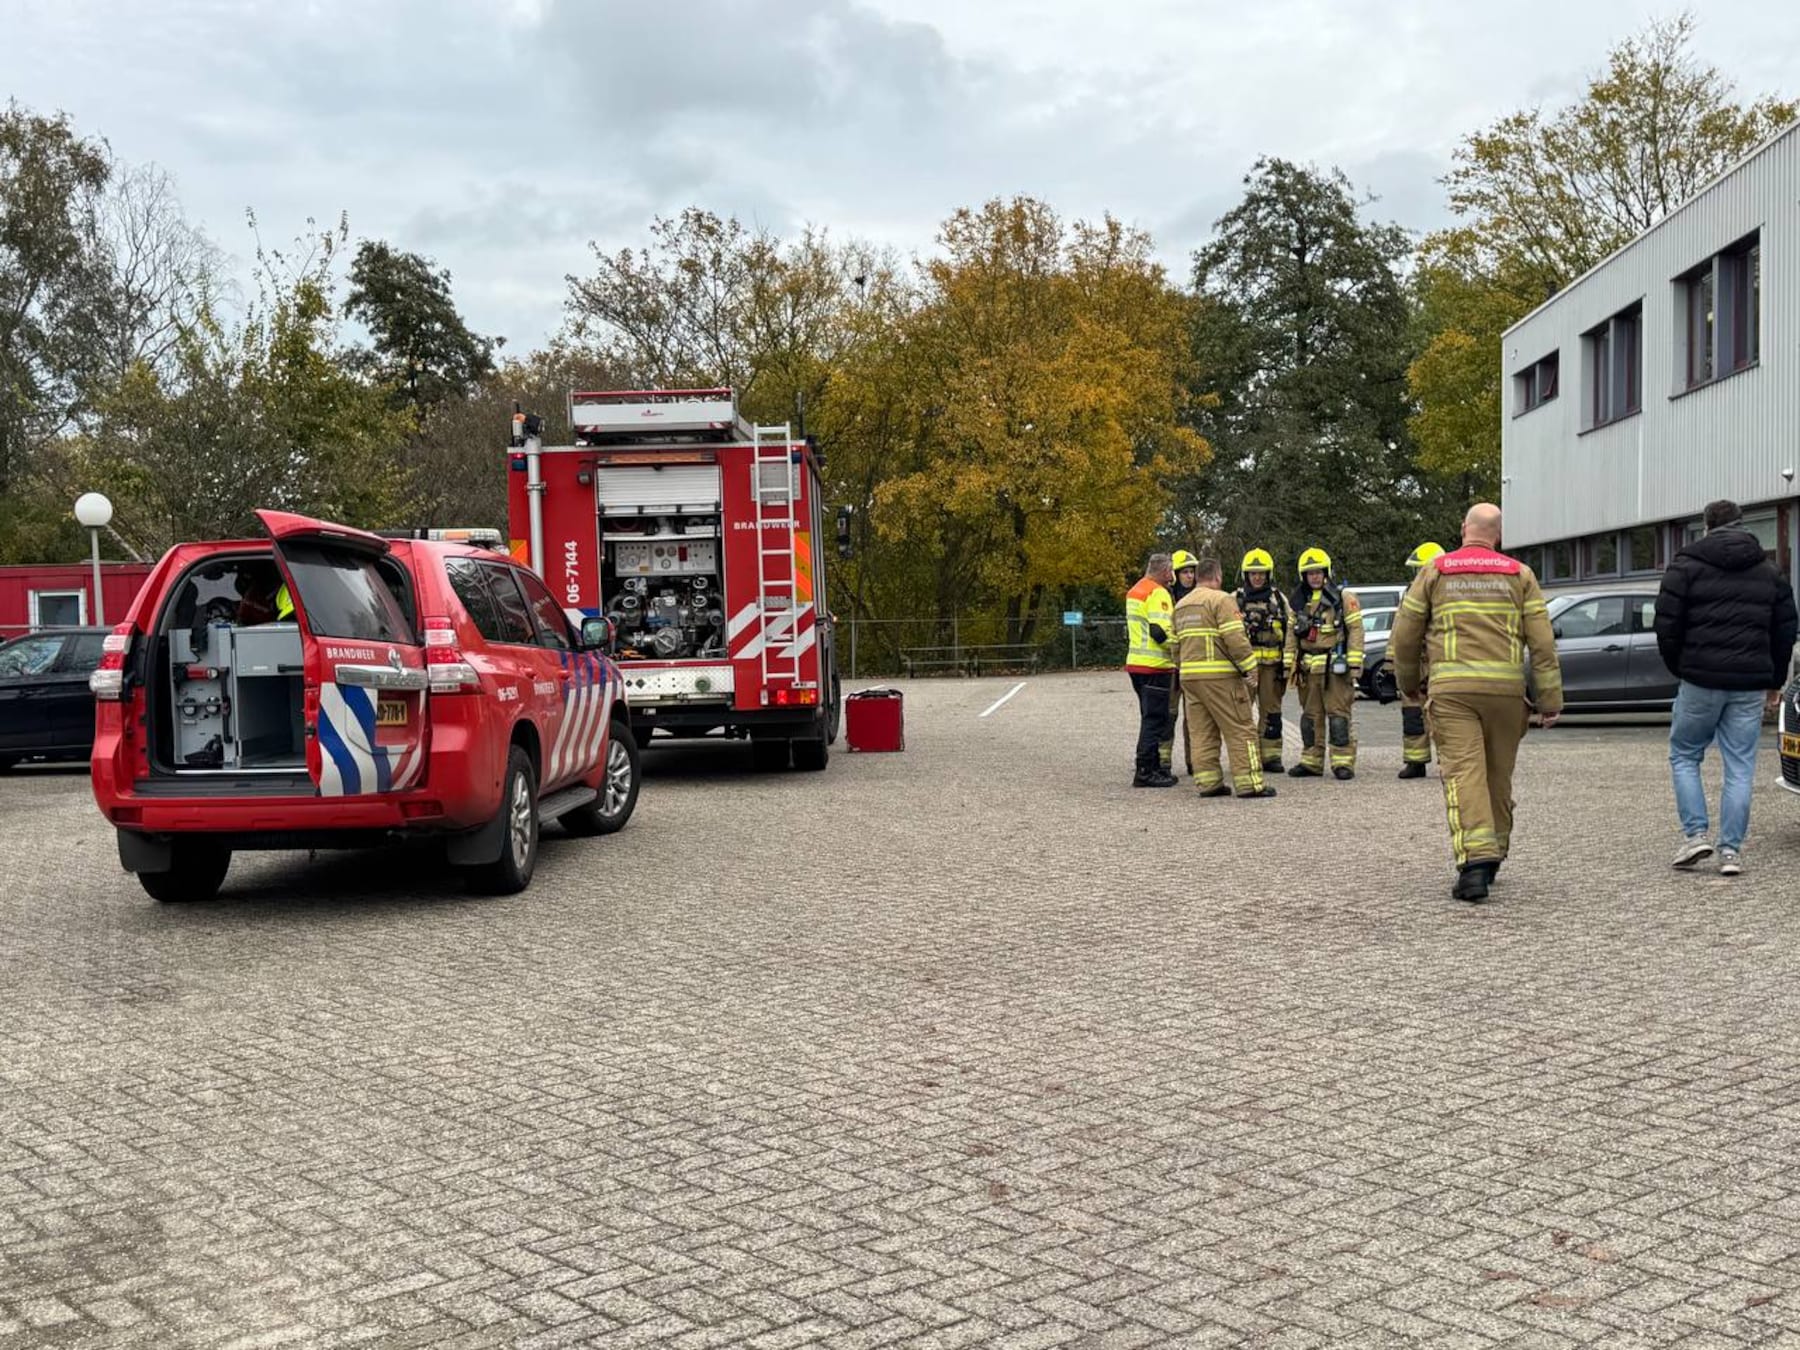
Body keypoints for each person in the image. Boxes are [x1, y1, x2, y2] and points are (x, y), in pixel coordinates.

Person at [1390, 503, 1562, 903]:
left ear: (1464, 529)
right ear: (1498, 536)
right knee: (1497, 776)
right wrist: (1549, 700)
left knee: (1464, 773)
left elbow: (1404, 635)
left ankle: (1474, 865)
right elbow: (1542, 643)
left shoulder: (1435, 570)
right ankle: (1495, 852)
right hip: (1505, 693)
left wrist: (1409, 684)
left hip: (1452, 691)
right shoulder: (1520, 574)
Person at [1652, 498, 1798, 875]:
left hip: (1699, 679)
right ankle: (1731, 852)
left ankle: (1696, 835)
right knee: (1740, 765)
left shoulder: (1685, 566)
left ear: (1706, 526)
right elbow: (1785, 630)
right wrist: (1774, 680)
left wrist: (1680, 667)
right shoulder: (1770, 571)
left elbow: (1666, 625)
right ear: (1742, 524)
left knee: (1685, 754)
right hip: (1749, 684)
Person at [1172, 557, 1275, 798]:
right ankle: (1250, 783)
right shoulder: (1221, 600)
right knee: (1241, 728)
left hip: (1190, 679)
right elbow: (1236, 639)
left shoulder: (1181, 605)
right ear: (1217, 576)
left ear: (1198, 577)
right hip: (1220, 679)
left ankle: (1208, 783)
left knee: (1202, 732)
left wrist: (1184, 668)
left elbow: (1174, 646)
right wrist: (1251, 668)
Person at [1283, 547, 1364, 779]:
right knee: (1309, 718)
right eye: (1310, 573)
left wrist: (1355, 663)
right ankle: (1311, 761)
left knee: (1338, 717)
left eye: (1318, 572)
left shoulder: (1343, 598)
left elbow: (1356, 630)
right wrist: (1289, 664)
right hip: (1308, 669)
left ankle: (1343, 763)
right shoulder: (1298, 601)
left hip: (1335, 668)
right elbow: (1291, 634)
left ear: (1326, 572)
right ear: (1303, 576)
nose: (1315, 577)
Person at [1124, 552, 1178, 788]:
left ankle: (1153, 767)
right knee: (1155, 719)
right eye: (1172, 571)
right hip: (1155, 665)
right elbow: (1160, 632)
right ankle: (1146, 771)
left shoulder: (1136, 590)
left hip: (1137, 663)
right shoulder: (1158, 593)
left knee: (1150, 717)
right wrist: (1180, 648)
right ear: (1166, 571)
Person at [1234, 549, 1291, 772]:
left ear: (1269, 575)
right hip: (1244, 670)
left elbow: (1290, 630)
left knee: (1272, 713)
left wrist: (1287, 664)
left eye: (1261, 573)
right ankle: (1246, 757)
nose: (1257, 578)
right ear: (1245, 575)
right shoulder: (1234, 599)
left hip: (1271, 668)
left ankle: (1271, 757)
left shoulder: (1279, 599)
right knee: (1241, 713)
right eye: (1252, 573)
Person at [1397, 541, 1445, 779]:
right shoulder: (1410, 593)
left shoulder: (1447, 593)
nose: (1419, 575)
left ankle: (1447, 762)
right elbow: (1400, 630)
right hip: (1415, 662)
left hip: (1438, 661)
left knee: (1443, 713)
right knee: (1412, 713)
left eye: (1422, 569)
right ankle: (1415, 762)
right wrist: (1389, 662)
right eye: (1417, 570)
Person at [1161, 550, 1201, 777]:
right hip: (1171, 667)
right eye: (1184, 572)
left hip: (1194, 665)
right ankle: (1164, 760)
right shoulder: (1166, 598)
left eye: (1192, 572)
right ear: (1175, 574)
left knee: (1194, 717)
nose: (1189, 576)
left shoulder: (1200, 597)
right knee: (1169, 714)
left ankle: (1195, 760)